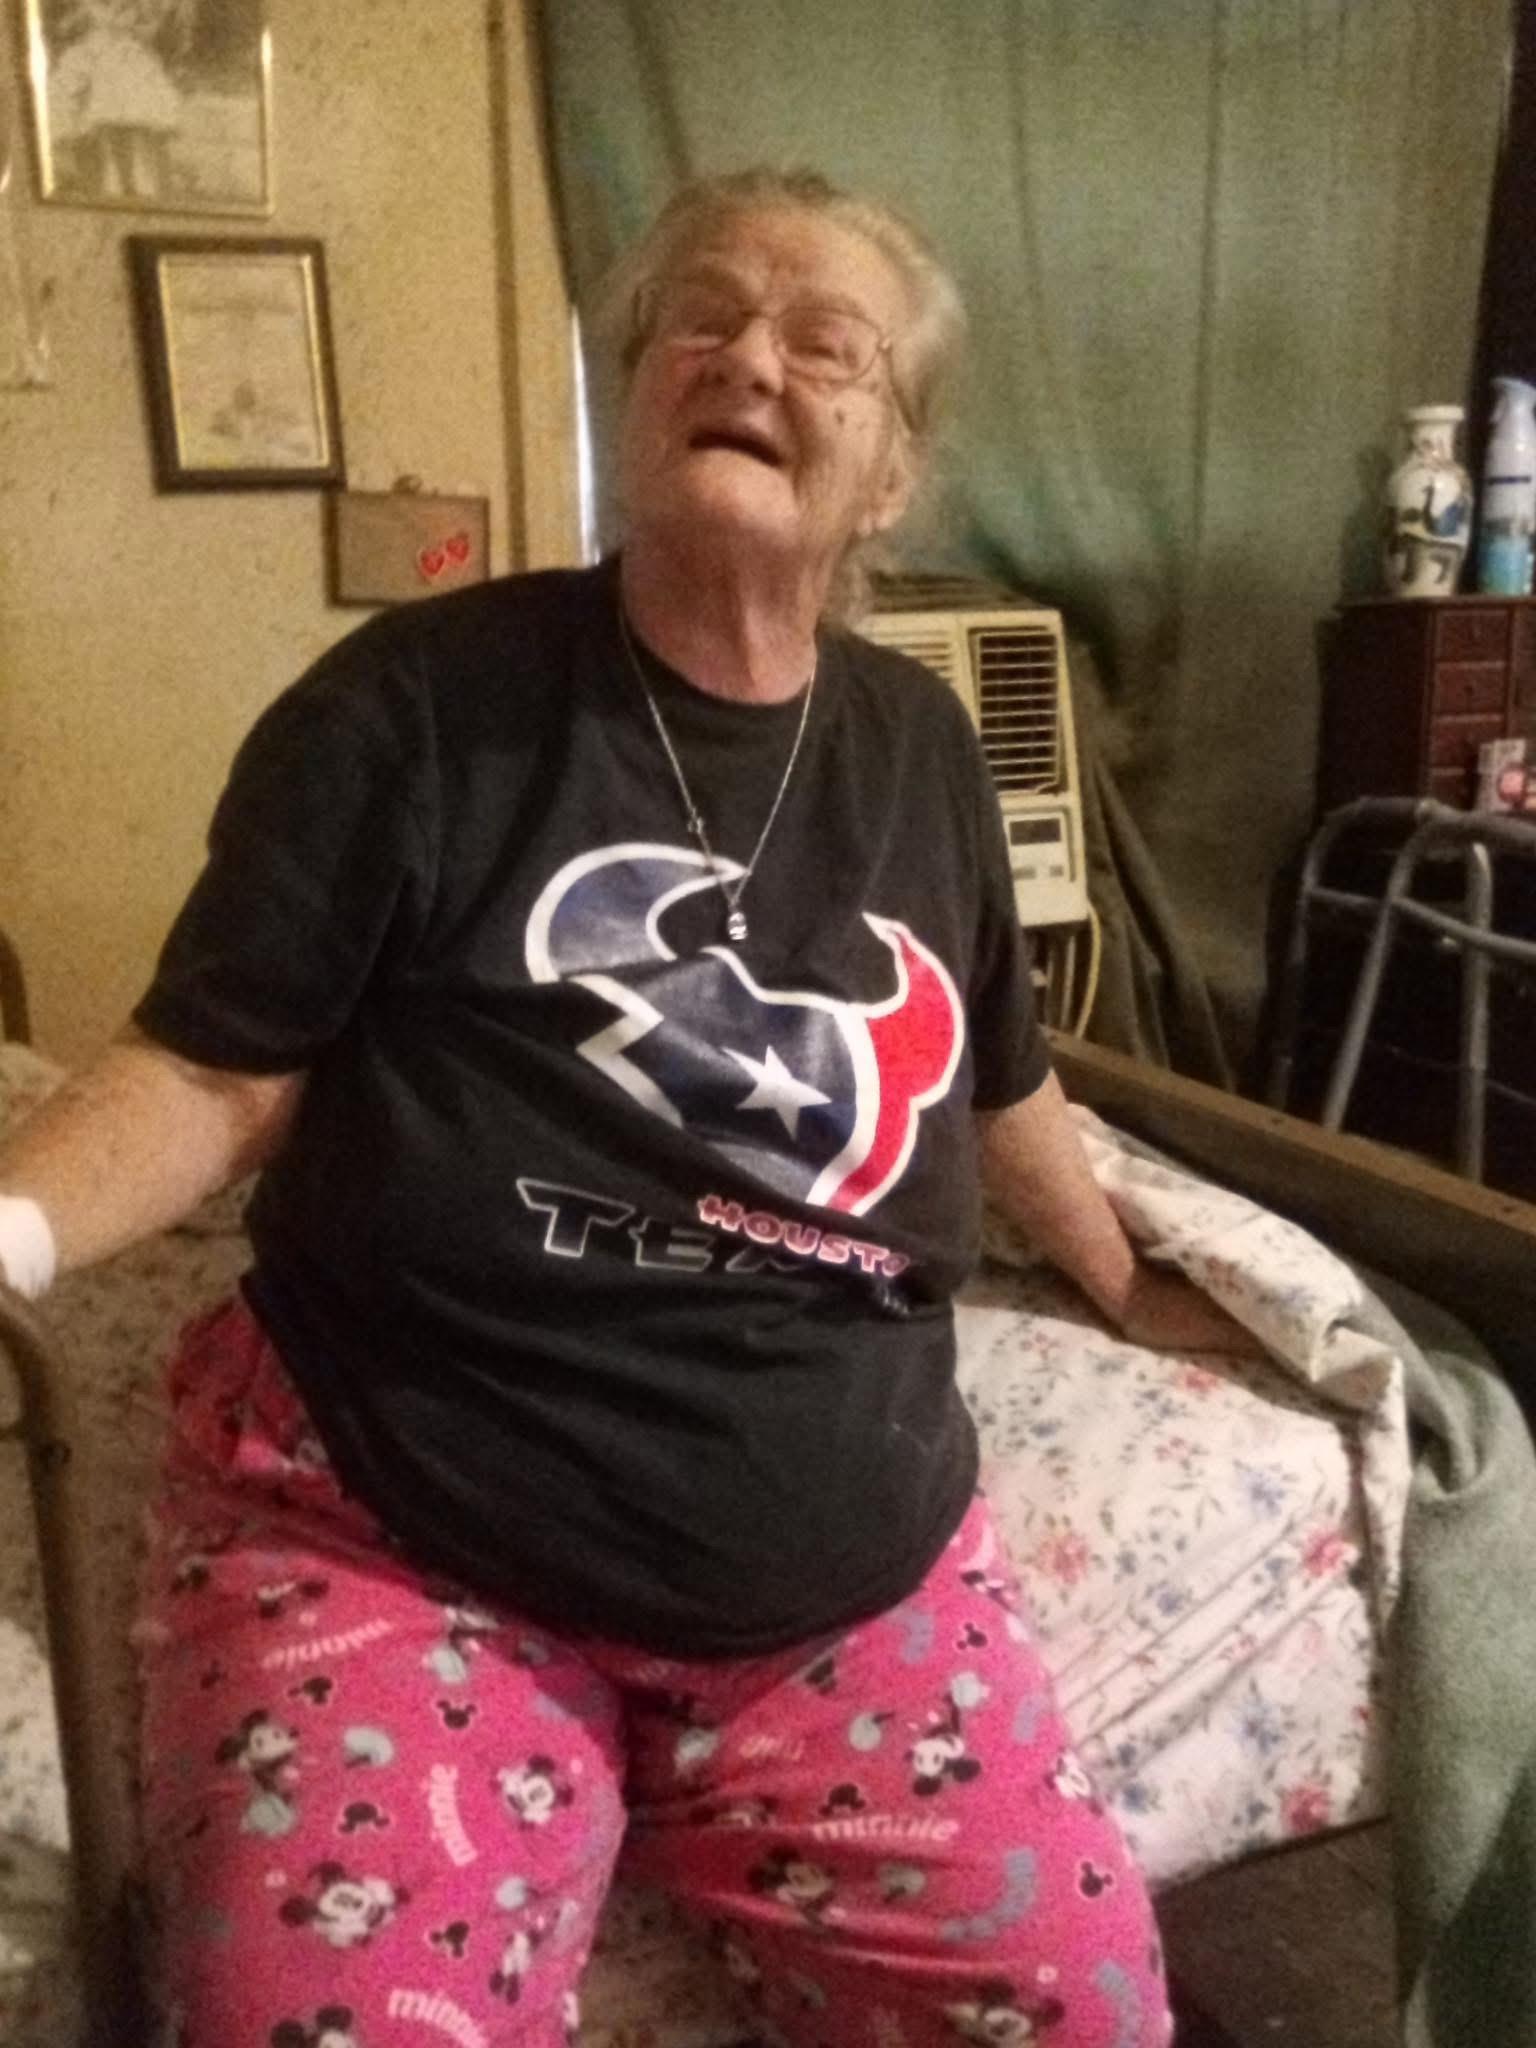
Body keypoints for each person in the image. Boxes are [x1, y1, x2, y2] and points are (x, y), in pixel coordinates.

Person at [0, 168, 1242, 2047]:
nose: (750, 355)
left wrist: (1135, 1273)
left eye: (826, 345)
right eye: (704, 318)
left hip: (845, 1580)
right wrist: (9, 1228)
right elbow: (210, 1065)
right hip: (406, 1530)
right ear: (637, 388)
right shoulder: (418, 710)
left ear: (890, 474)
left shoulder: (919, 753)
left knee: (1085, 2019)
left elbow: (1003, 1077)